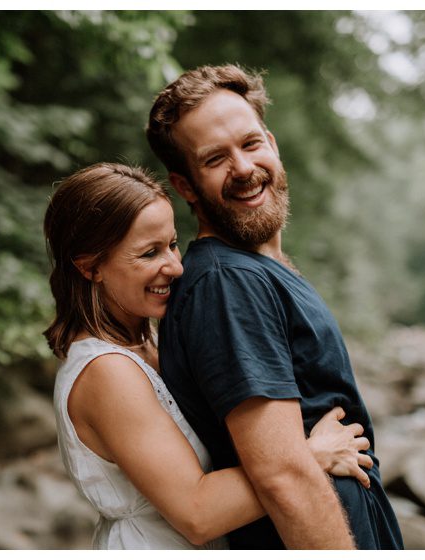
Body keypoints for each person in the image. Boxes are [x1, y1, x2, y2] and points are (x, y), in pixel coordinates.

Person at [43, 162, 375, 549]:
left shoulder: (148, 343)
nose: (175, 266)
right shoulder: (107, 372)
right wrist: (309, 456)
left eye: (172, 244)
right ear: (90, 267)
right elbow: (198, 513)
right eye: (149, 253)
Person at [146, 65, 404, 549]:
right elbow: (283, 476)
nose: (244, 168)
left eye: (250, 144)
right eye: (215, 159)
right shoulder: (229, 284)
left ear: (272, 143)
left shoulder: (254, 271)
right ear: (186, 186)